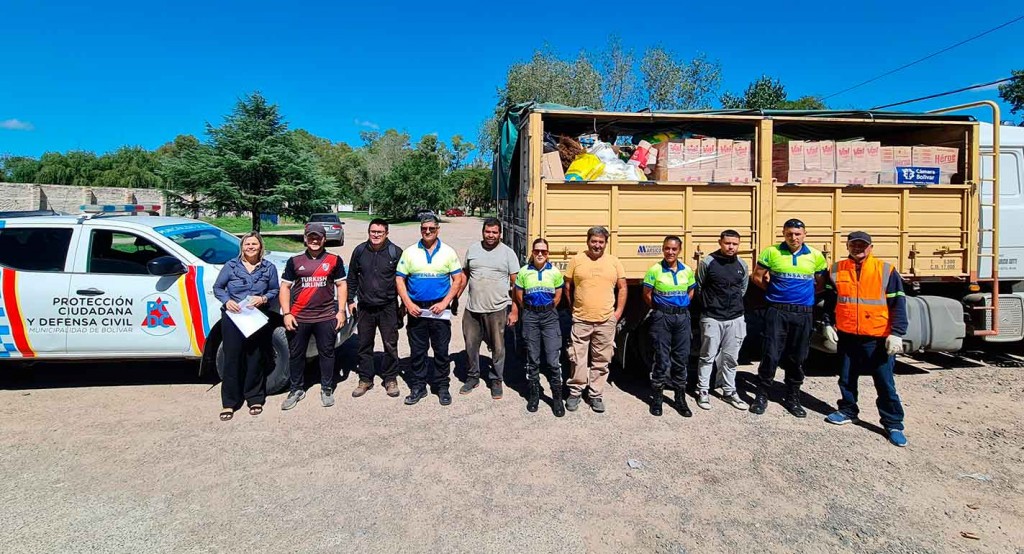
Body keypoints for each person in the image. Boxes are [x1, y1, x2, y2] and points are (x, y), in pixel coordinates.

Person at [822, 231, 909, 447]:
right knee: (846, 377)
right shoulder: (836, 269)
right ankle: (848, 410)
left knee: (885, 382)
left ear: (871, 247)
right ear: (848, 246)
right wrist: (826, 323)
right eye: (854, 245)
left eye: (862, 245)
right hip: (848, 335)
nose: (858, 248)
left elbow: (898, 303)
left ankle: (893, 423)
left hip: (877, 337)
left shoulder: (886, 270)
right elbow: (831, 300)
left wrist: (897, 332)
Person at [750, 218, 827, 417]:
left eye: (797, 234)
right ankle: (762, 394)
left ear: (805, 235)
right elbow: (757, 277)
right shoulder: (771, 252)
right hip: (777, 311)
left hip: (803, 312)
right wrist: (774, 293)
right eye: (789, 234)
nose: (793, 237)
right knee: (770, 353)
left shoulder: (816, 256)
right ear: (783, 234)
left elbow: (820, 283)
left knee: (798, 356)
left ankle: (793, 396)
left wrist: (804, 297)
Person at [396, 214, 465, 406]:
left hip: (439, 308)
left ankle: (442, 386)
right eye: (424, 229)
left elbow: (457, 280)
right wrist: (408, 304)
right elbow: (399, 279)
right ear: (420, 229)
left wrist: (445, 303)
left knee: (441, 350)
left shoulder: (448, 252)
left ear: (437, 230)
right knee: (418, 350)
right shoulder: (410, 252)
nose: (427, 232)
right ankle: (418, 386)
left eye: (431, 229)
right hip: (417, 308)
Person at [279, 222, 348, 410]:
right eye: (311, 237)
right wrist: (286, 313)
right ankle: (296, 389)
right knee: (296, 355)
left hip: (326, 316)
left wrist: (341, 311)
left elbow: (341, 286)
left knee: (327, 353)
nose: (314, 240)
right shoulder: (295, 261)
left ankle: (327, 388)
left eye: (318, 237)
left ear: (324, 239)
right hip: (299, 317)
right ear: (305, 239)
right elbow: (285, 287)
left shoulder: (334, 260)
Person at [212, 232, 279, 420]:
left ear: (260, 247)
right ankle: (230, 402)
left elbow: (275, 289)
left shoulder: (268, 268)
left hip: (256, 316)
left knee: (255, 356)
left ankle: (254, 397)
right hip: (234, 317)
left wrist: (264, 298)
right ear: (242, 247)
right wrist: (226, 301)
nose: (251, 247)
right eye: (247, 244)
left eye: (254, 244)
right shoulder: (231, 266)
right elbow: (218, 288)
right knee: (232, 357)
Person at [564, 226, 627, 413]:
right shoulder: (576, 260)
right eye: (594, 241)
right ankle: (575, 392)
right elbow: (568, 286)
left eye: (601, 242)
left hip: (606, 320)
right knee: (577, 358)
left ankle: (596, 394)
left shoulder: (614, 262)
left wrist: (617, 314)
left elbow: (622, 287)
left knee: (602, 359)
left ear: (606, 243)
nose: (597, 245)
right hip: (581, 319)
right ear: (587, 241)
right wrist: (573, 309)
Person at [459, 217, 520, 399]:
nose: (491, 235)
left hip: (498, 308)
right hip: (473, 308)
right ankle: (473, 376)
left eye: (494, 232)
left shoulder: (508, 253)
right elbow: (465, 275)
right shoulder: (473, 250)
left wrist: (515, 309)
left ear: (500, 234)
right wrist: (454, 298)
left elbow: (516, 285)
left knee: (498, 347)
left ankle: (496, 379)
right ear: (483, 232)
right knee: (471, 345)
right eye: (488, 232)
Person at [346, 218, 403, 399]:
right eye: (373, 232)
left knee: (390, 344)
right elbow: (352, 276)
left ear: (386, 233)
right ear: (369, 232)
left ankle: (390, 378)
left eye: (379, 232)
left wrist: (404, 305)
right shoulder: (360, 251)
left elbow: (403, 280)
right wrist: (350, 299)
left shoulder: (395, 252)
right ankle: (365, 378)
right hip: (365, 307)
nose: (376, 235)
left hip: (388, 306)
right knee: (364, 344)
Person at [695, 229, 750, 411]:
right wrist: (710, 306)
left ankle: (729, 391)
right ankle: (703, 391)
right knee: (707, 357)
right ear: (720, 242)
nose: (731, 247)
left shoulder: (742, 264)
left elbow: (742, 289)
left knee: (731, 358)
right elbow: (700, 286)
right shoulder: (708, 262)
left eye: (734, 244)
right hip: (712, 317)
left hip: (735, 318)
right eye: (727, 243)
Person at [642, 236, 696, 417]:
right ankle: (657, 397)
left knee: (681, 358)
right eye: (667, 248)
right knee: (661, 358)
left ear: (679, 250)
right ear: (663, 249)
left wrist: (680, 307)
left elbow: (691, 290)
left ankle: (680, 398)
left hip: (682, 317)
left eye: (674, 249)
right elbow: (647, 294)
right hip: (662, 317)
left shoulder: (687, 270)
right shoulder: (655, 270)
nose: (670, 252)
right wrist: (661, 310)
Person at [513, 238, 565, 416]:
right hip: (530, 316)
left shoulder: (555, 272)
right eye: (537, 251)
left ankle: (557, 398)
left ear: (548, 253)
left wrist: (549, 308)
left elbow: (559, 293)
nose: (540, 254)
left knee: (552, 359)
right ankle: (534, 394)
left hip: (549, 316)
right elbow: (518, 294)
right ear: (532, 253)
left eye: (543, 251)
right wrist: (529, 310)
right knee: (533, 358)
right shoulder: (524, 272)